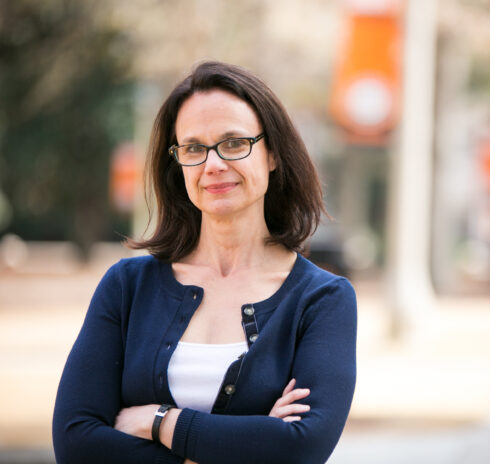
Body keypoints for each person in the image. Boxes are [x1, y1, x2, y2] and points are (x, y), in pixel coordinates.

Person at [52, 61, 357, 464]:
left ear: (273, 155)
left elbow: (301, 446)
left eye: (234, 143)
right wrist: (246, 443)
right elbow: (77, 443)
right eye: (194, 148)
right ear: (178, 165)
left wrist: (159, 422)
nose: (213, 164)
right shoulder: (127, 286)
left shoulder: (322, 300)